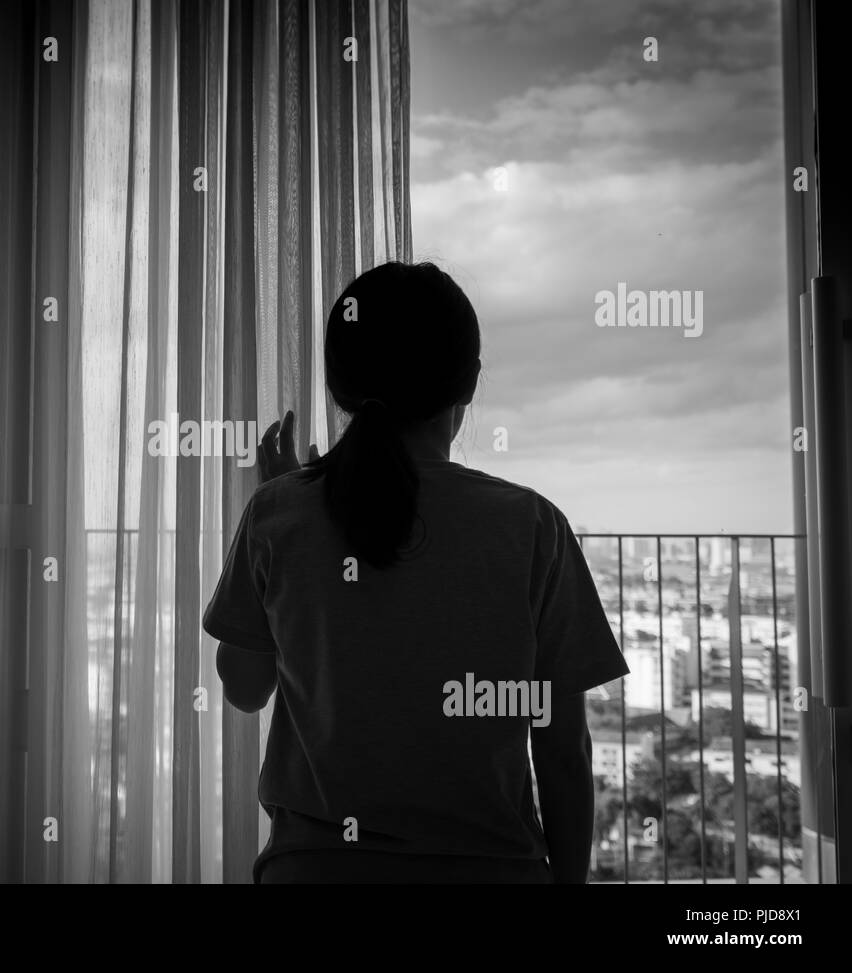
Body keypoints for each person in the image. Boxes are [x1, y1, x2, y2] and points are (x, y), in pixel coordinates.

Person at [202, 260, 629, 884]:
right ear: (470, 381)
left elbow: (245, 690)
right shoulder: (533, 527)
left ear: (338, 385)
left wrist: (287, 517)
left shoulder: (278, 512)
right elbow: (563, 752)